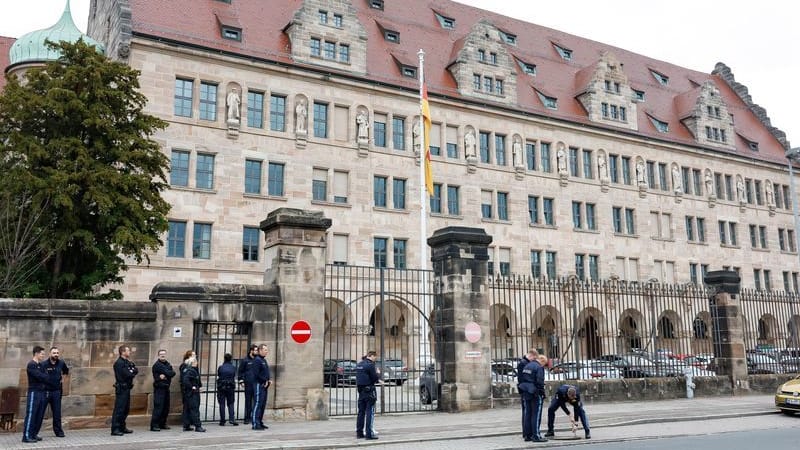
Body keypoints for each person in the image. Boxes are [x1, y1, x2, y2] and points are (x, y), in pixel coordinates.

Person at [518, 352, 547, 442]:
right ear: (542, 361)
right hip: (535, 392)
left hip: (525, 391)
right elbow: (540, 382)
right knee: (536, 414)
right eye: (544, 364)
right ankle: (536, 436)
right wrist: (542, 393)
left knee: (528, 414)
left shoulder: (527, 365)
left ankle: (527, 435)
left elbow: (522, 378)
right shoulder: (538, 367)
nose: (543, 366)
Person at [22, 345, 48, 443]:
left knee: (39, 414)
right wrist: (43, 376)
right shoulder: (31, 364)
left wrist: (43, 376)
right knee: (31, 414)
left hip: (42, 392)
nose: (43, 356)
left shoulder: (41, 365)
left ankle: (33, 434)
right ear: (36, 354)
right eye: (42, 354)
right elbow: (40, 376)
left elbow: (46, 376)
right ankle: (26, 436)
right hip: (34, 392)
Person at [111, 345, 138, 436]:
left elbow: (135, 370)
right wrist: (132, 371)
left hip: (127, 388)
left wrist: (132, 371)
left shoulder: (126, 362)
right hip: (122, 388)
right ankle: (115, 429)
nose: (129, 352)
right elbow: (128, 374)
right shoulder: (119, 363)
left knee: (125, 409)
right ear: (123, 352)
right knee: (119, 409)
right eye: (128, 350)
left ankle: (122, 427)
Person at [42, 346, 69, 438]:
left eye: (57, 353)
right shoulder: (44, 364)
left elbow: (66, 371)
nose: (56, 354)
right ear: (50, 354)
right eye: (54, 353)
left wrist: (63, 379)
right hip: (45, 391)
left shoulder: (61, 363)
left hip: (57, 392)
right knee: (40, 412)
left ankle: (59, 431)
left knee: (57, 413)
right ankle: (34, 432)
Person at [355, 350, 380, 440]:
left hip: (361, 391)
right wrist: (378, 373)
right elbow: (374, 378)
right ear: (372, 356)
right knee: (369, 412)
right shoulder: (370, 365)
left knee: (361, 412)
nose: (375, 359)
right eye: (375, 357)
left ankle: (359, 433)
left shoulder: (359, 364)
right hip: (369, 391)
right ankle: (369, 434)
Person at [150, 349, 175, 432]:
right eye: (161, 354)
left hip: (166, 387)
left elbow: (172, 373)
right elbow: (169, 373)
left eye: (164, 354)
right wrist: (167, 373)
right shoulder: (157, 365)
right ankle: (154, 425)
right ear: (158, 355)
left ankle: (162, 423)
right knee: (158, 407)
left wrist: (166, 374)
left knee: (166, 407)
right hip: (159, 388)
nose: (163, 355)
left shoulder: (167, 364)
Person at [516, 349, 538, 441]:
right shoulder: (524, 363)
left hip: (525, 389)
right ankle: (527, 433)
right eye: (534, 358)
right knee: (527, 412)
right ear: (532, 355)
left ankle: (527, 433)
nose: (534, 360)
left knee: (527, 412)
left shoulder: (523, 362)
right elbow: (524, 378)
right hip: (527, 390)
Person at [181, 356, 206, 432]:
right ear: (192, 363)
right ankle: (198, 426)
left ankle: (186, 425)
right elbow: (185, 380)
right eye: (196, 362)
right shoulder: (191, 371)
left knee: (187, 409)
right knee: (194, 409)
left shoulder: (187, 370)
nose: (197, 363)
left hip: (188, 393)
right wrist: (192, 387)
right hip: (192, 393)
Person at [250, 344, 272, 430]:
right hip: (259, 384)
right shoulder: (257, 360)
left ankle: (260, 421)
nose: (267, 351)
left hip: (264, 385)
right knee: (258, 403)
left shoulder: (263, 360)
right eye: (265, 350)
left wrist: (268, 380)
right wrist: (264, 380)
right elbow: (256, 374)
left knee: (262, 404)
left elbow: (265, 372)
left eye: (267, 350)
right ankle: (255, 423)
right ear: (260, 350)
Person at [238, 345, 258, 425]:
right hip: (248, 384)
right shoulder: (245, 360)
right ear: (251, 351)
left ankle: (255, 417)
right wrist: (241, 381)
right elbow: (240, 371)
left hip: (256, 384)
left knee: (256, 401)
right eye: (256, 350)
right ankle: (247, 418)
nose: (257, 352)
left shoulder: (258, 360)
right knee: (248, 401)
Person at [217, 353, 238, 426]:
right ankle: (232, 419)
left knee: (222, 404)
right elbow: (234, 375)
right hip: (230, 386)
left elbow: (219, 375)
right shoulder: (233, 367)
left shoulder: (221, 367)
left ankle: (222, 420)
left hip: (221, 386)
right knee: (231, 403)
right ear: (231, 359)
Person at [178, 349, 196, 431]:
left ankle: (189, 422)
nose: (195, 356)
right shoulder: (185, 365)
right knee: (187, 406)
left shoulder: (192, 365)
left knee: (190, 406)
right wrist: (191, 386)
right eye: (193, 355)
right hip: (187, 389)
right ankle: (186, 423)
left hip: (191, 388)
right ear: (189, 356)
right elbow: (184, 379)